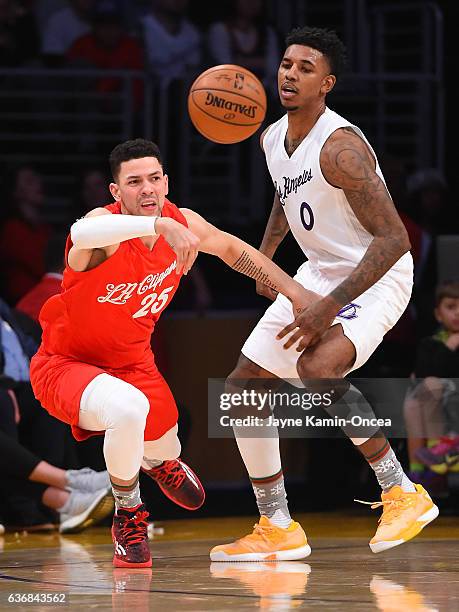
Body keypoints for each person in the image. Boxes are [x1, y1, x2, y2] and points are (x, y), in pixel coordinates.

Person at [210, 26, 438, 562]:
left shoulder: (342, 147)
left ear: (327, 83)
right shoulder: (272, 137)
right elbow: (285, 199)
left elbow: (395, 239)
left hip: (375, 271)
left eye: (305, 68)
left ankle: (401, 490)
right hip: (319, 270)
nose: (289, 74)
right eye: (286, 64)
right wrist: (262, 262)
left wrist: (327, 309)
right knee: (243, 388)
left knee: (319, 366)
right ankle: (277, 525)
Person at [29, 138, 312, 568]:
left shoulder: (184, 221)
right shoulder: (103, 230)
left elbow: (234, 250)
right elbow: (81, 232)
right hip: (66, 366)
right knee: (128, 410)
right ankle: (128, 515)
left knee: (164, 437)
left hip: (134, 364)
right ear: (115, 192)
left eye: (155, 178)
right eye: (134, 181)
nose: (147, 189)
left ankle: (158, 460)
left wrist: (295, 292)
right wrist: (157, 227)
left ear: (166, 181)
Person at [404, 280, 459, 484]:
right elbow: (423, 373)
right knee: (412, 401)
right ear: (438, 314)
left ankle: (439, 451)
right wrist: (448, 346)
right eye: (451, 307)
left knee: (432, 385)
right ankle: (418, 471)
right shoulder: (430, 344)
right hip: (437, 405)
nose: (457, 313)